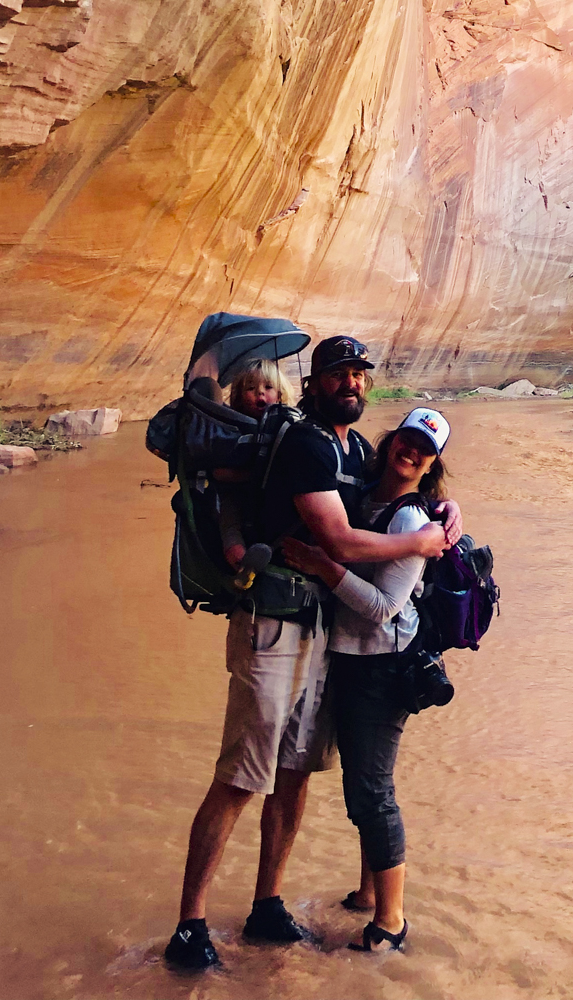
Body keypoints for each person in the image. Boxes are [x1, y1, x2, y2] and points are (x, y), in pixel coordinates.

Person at [164, 336, 461, 971]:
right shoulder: (303, 442)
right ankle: (189, 924)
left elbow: (392, 499)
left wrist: (441, 510)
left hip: (319, 630)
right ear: (315, 381)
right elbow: (339, 540)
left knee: (295, 771)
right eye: (338, 375)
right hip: (270, 622)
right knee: (242, 774)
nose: (351, 384)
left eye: (359, 375)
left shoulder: (353, 449)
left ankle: (267, 903)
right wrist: (422, 545)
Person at [282, 407, 454, 953]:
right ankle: (366, 894)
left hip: (383, 666)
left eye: (424, 450)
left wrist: (321, 566)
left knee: (372, 793)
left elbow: (382, 607)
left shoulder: (407, 520)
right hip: (357, 660)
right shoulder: (364, 498)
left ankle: (392, 922)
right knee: (364, 785)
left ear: (430, 466)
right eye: (407, 439)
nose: (412, 451)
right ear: (390, 442)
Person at [214, 358, 296, 571]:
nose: (260, 393)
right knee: (230, 519)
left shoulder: (290, 427)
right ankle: (239, 560)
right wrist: (258, 475)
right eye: (251, 389)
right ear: (240, 398)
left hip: (274, 495)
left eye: (268, 388)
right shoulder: (232, 429)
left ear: (280, 394)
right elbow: (219, 474)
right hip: (237, 492)